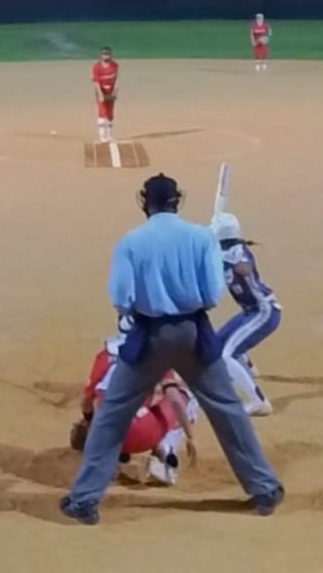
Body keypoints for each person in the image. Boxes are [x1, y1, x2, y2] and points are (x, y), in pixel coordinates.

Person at [59, 173, 283, 525]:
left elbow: (121, 297)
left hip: (149, 336)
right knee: (227, 408)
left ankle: (84, 499)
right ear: (178, 201)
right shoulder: (201, 238)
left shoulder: (131, 242)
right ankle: (265, 488)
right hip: (194, 332)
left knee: (113, 414)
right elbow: (212, 294)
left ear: (143, 202)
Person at [69, 319, 198, 486]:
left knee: (109, 409)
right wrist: (190, 437)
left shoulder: (106, 354)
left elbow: (87, 401)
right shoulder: (156, 353)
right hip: (144, 433)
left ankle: (112, 458)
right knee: (186, 396)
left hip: (109, 435)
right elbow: (174, 400)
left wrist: (90, 423)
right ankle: (165, 454)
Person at [209, 209, 279, 416]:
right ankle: (248, 370)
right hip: (250, 312)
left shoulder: (236, 254)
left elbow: (244, 268)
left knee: (226, 356)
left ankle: (259, 402)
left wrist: (224, 261)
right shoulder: (223, 253)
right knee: (217, 342)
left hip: (263, 313)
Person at [91, 47, 120, 144]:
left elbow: (116, 79)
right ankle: (102, 136)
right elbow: (96, 82)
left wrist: (115, 92)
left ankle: (110, 135)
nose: (106, 56)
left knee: (110, 114)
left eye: (108, 54)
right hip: (101, 91)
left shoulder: (115, 66)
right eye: (104, 54)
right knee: (102, 113)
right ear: (101, 55)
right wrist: (100, 94)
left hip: (110, 92)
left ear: (111, 55)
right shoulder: (97, 67)